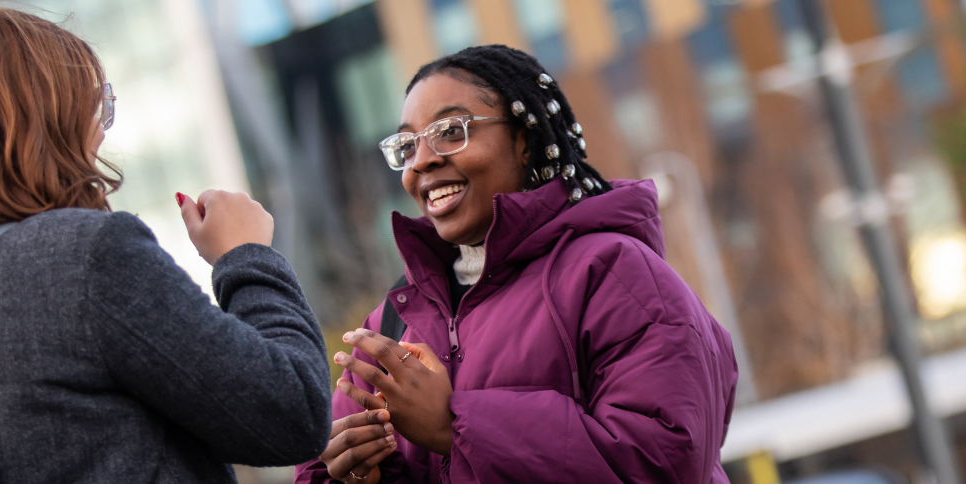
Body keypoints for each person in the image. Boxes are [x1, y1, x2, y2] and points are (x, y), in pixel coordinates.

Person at [0, 5, 331, 483]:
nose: (100, 132)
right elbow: (295, 412)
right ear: (46, 119)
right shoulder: (82, 260)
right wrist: (244, 258)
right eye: (93, 106)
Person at [295, 45, 738, 484]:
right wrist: (360, 474)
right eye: (408, 146)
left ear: (524, 142)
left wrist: (455, 427)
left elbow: (667, 460)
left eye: (451, 131)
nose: (423, 160)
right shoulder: (394, 320)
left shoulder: (613, 273)